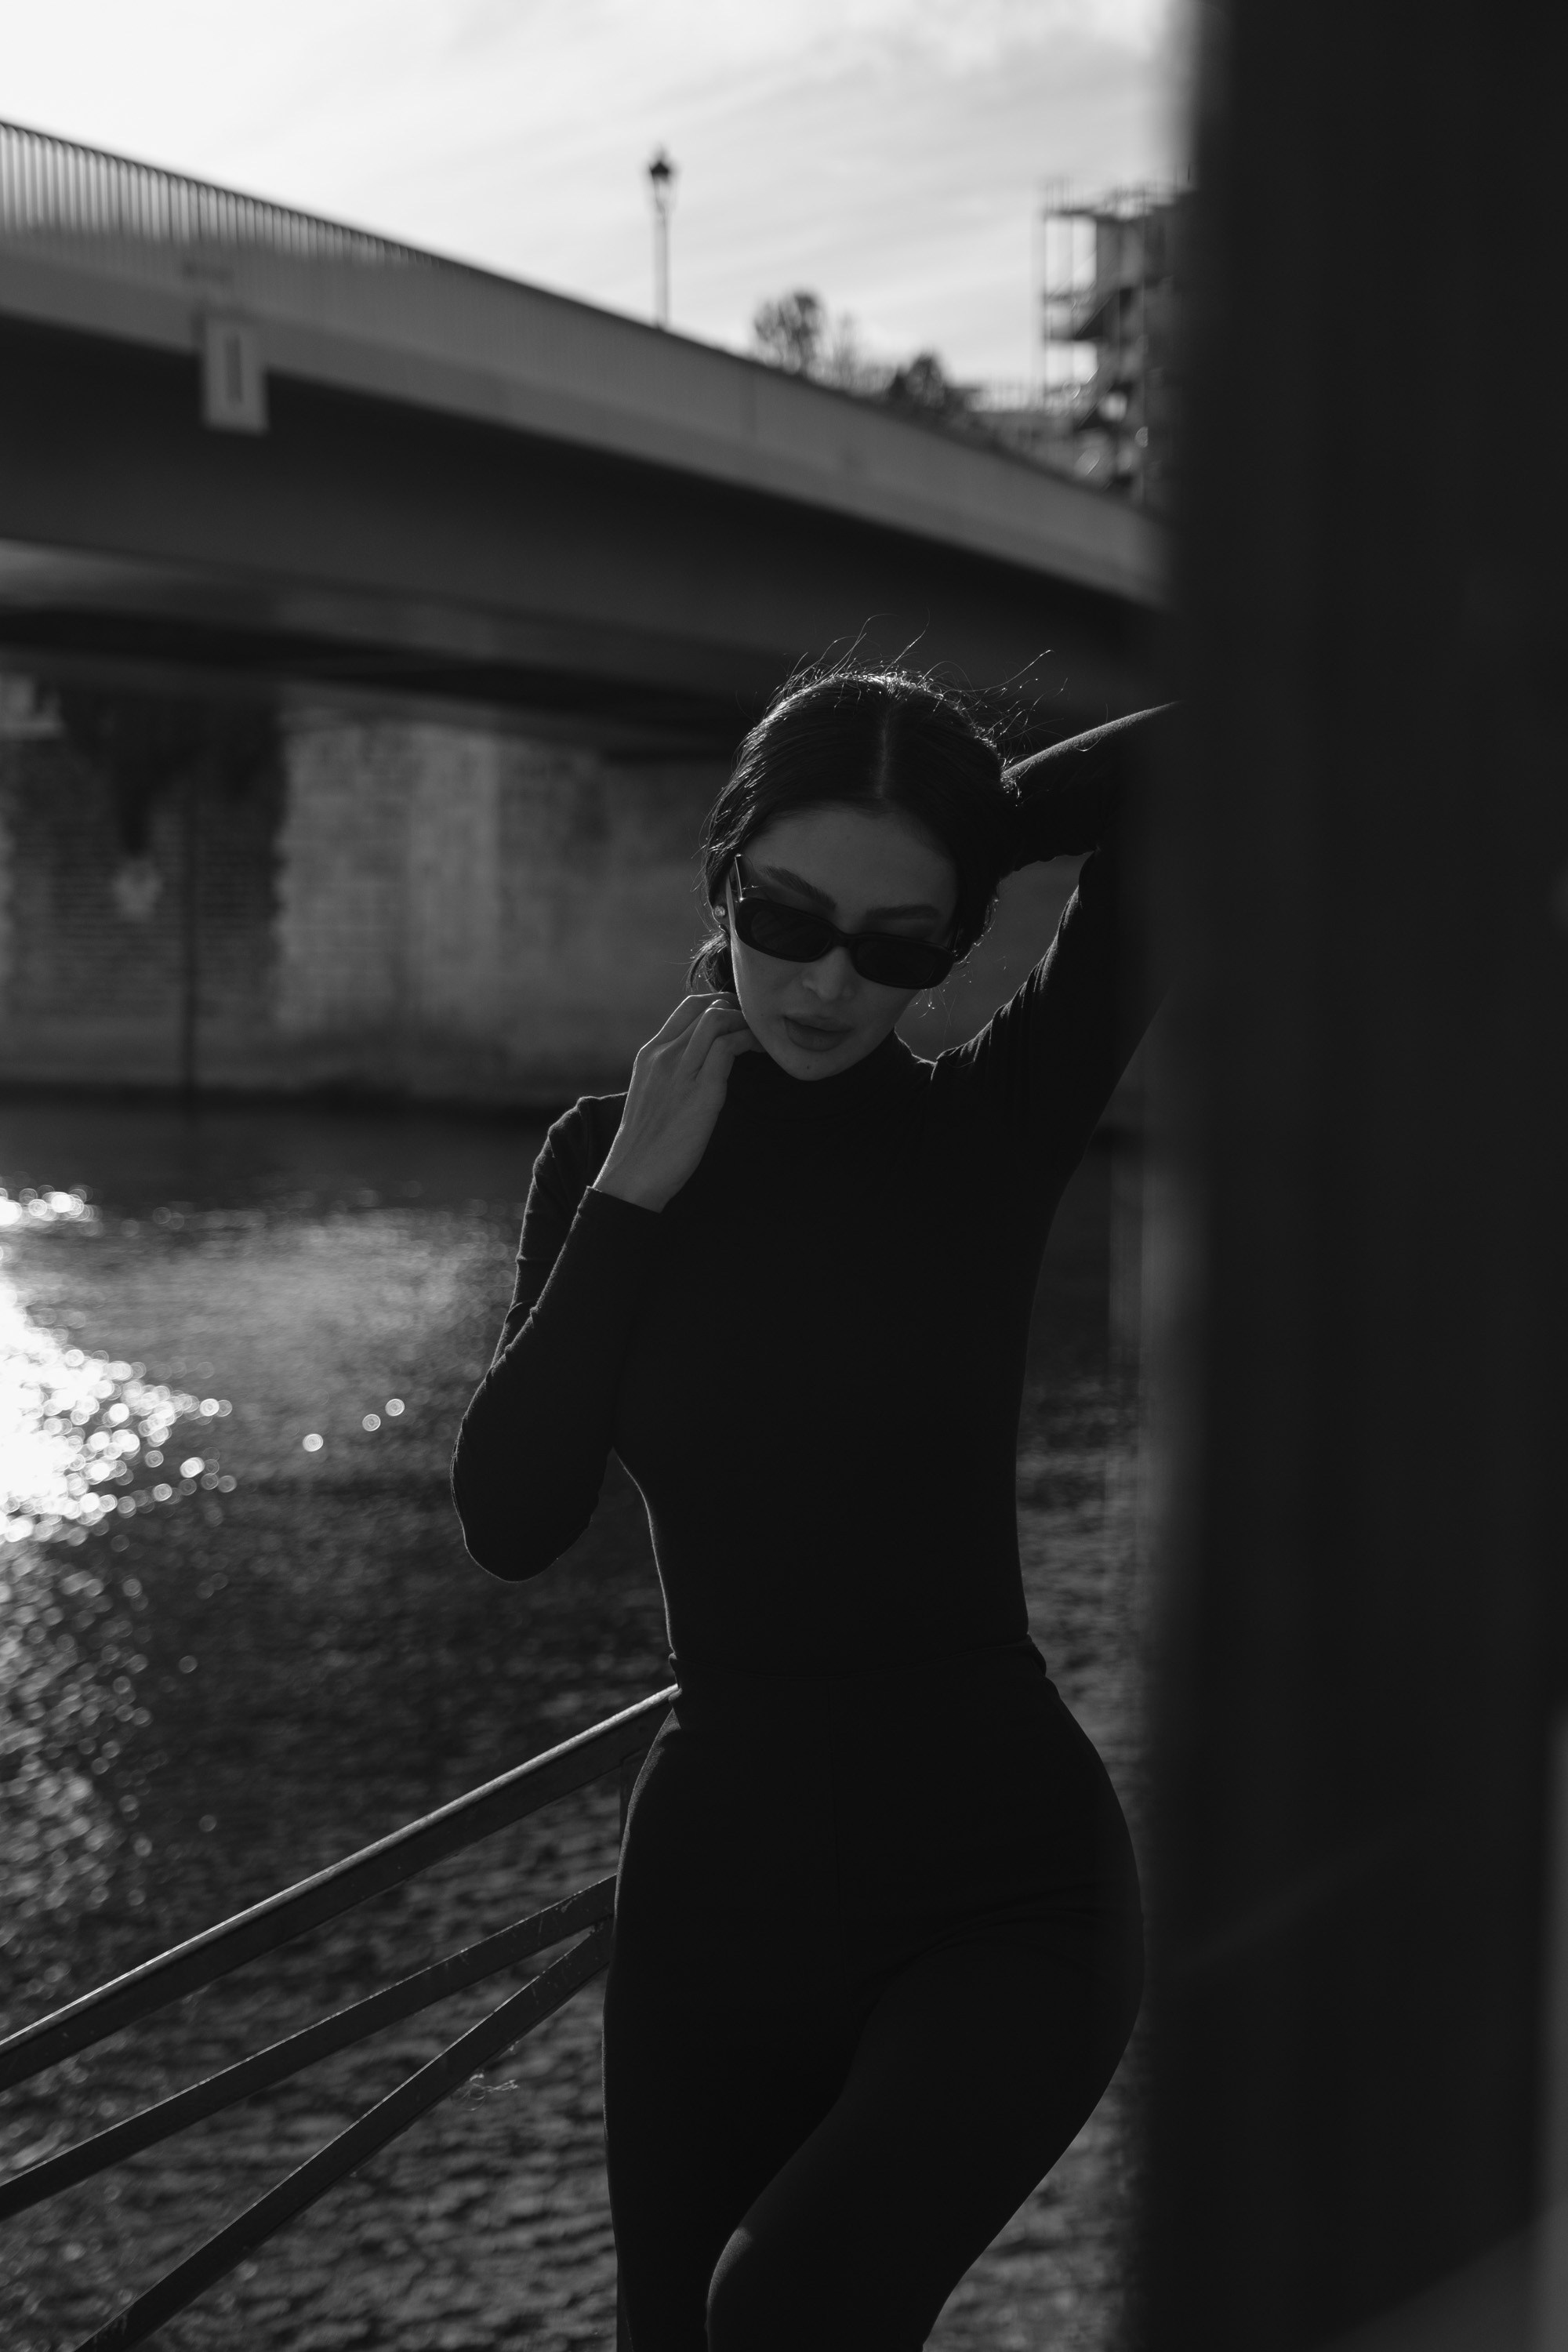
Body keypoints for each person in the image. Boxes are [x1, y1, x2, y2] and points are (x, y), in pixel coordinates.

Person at [452, 665, 1172, 2351]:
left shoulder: (994, 1124)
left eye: (900, 942)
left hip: (1007, 1897)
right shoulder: (601, 1163)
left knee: (787, 2303)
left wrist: (965, 816)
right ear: (722, 875)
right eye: (787, 916)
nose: (833, 980)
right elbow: (509, 1516)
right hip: (719, 1895)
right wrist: (634, 1192)